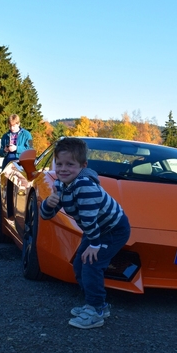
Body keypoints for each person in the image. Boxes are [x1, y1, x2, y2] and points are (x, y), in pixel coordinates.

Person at [40, 137, 131, 329]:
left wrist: (95, 245)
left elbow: (89, 220)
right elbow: (47, 215)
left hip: (113, 229)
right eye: (59, 164)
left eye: (70, 164)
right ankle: (96, 303)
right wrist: (48, 204)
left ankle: (96, 310)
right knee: (80, 266)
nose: (63, 169)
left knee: (91, 264)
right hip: (96, 230)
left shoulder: (85, 186)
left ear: (83, 165)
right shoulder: (61, 185)